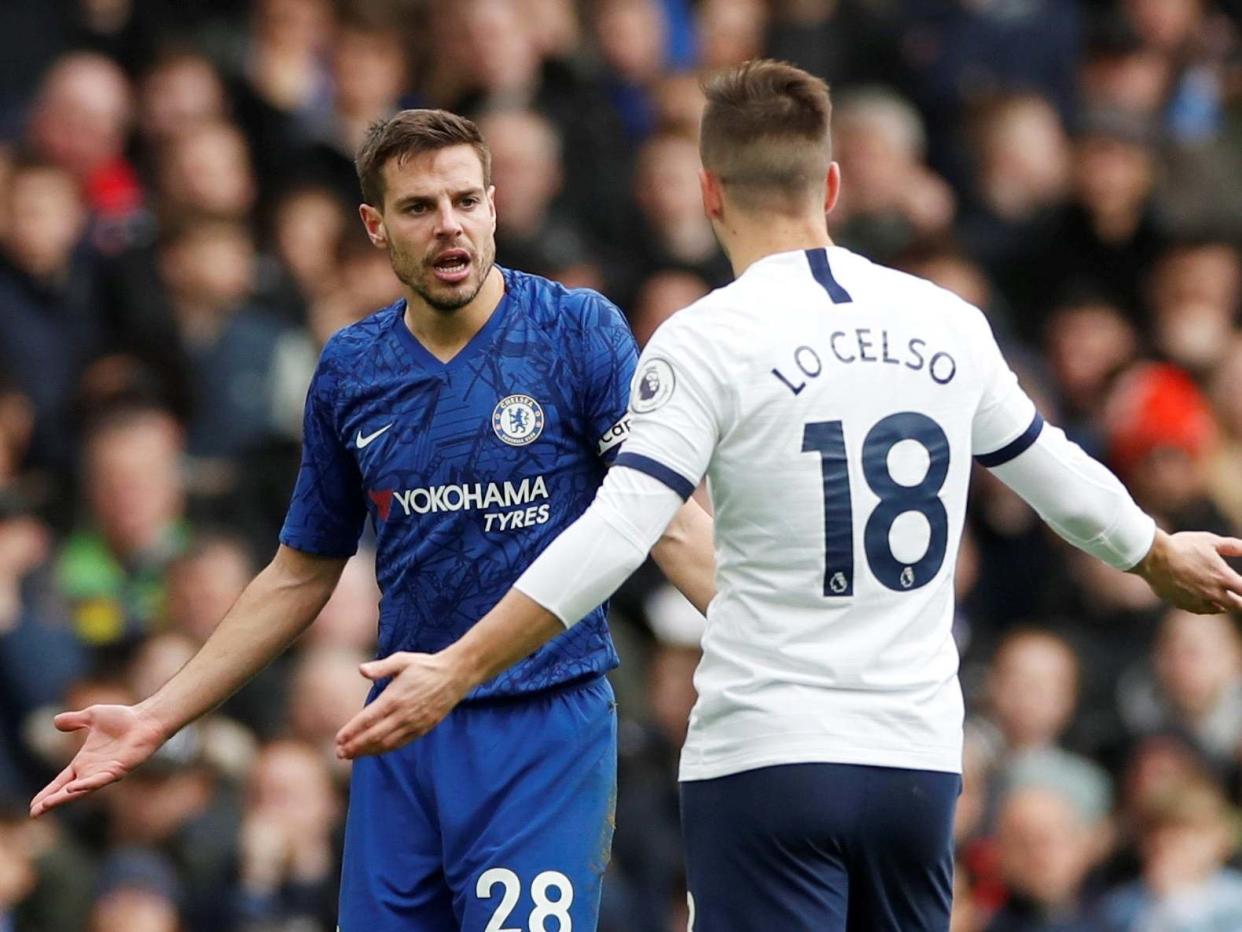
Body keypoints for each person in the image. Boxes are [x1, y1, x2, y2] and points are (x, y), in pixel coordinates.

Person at [346, 61, 1242, 931]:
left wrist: (457, 666)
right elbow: (1047, 465)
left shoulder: (703, 340)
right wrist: (1157, 553)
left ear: (709, 193)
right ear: (835, 183)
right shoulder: (945, 321)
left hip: (767, 757)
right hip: (915, 765)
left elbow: (622, 528)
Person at [30, 109, 716, 931]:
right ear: (375, 226)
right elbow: (299, 571)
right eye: (419, 208)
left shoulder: (578, 332)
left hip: (542, 727)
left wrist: (795, 644)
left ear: (495, 205)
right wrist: (156, 715)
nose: (449, 225)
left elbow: (667, 520)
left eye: (465, 199)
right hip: (400, 734)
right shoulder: (353, 369)